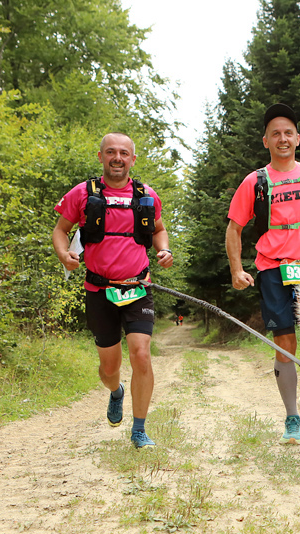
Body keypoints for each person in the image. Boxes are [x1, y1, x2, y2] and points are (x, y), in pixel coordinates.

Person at [225, 103, 300, 445]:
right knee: (285, 342)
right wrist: (237, 269)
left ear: (297, 139)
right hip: (272, 268)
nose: (282, 139)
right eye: (275, 133)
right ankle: (292, 417)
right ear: (266, 141)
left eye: (288, 133)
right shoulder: (255, 182)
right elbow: (234, 228)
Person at [52, 133, 173, 449]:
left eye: (123, 153)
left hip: (137, 287)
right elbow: (61, 230)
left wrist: (164, 250)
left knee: (141, 354)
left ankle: (139, 430)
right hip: (99, 290)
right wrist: (64, 254)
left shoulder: (147, 195)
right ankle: (116, 391)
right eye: (110, 152)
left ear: (133, 159)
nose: (117, 158)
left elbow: (159, 229)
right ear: (101, 156)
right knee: (109, 369)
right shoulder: (82, 193)